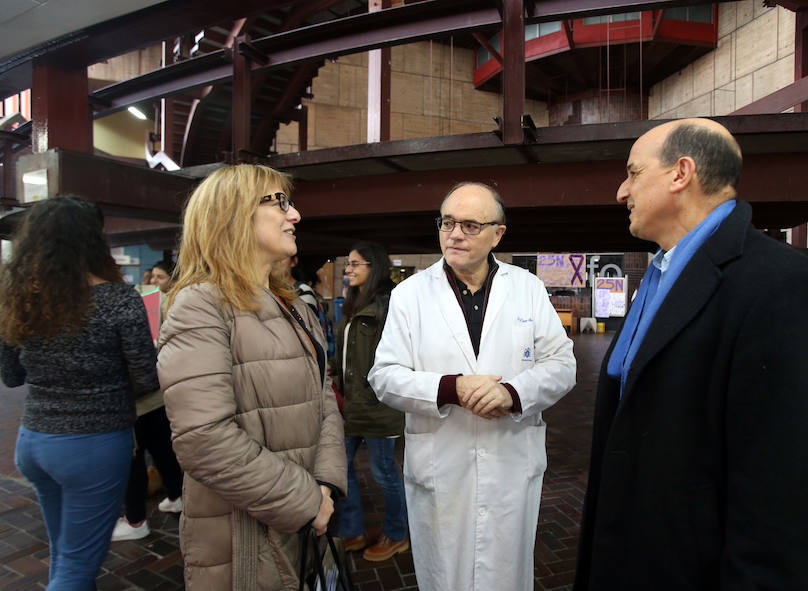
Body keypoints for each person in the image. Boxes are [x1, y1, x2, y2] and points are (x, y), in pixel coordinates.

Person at [573, 118, 808, 590]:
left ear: (681, 173)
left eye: (633, 173)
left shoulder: (786, 286)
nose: (622, 191)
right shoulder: (660, 277)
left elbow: (788, 492)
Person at [368, 182, 577, 591]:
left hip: (510, 461)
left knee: (507, 573)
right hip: (441, 465)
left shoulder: (527, 288)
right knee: (444, 574)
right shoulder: (410, 294)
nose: (455, 233)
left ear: (498, 233)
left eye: (469, 224)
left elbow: (563, 364)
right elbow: (384, 376)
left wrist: (513, 393)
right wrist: (452, 389)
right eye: (447, 222)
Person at [156, 164, 346, 590]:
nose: (294, 215)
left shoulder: (293, 304)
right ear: (231, 215)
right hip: (246, 538)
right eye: (278, 202)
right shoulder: (200, 306)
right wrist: (304, 499)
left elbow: (324, 399)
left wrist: (326, 487)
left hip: (301, 520)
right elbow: (203, 439)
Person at [0, 196, 160, 589]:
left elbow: (11, 376)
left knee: (65, 552)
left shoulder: (22, 299)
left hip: (35, 442)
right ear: (93, 241)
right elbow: (146, 379)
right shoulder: (119, 300)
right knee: (77, 565)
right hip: (93, 445)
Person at [329, 241, 408, 561]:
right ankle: (353, 530)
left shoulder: (387, 307)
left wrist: (374, 393)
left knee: (384, 472)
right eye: (347, 263)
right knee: (341, 468)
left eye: (355, 264)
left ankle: (397, 533)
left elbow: (396, 359)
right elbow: (347, 353)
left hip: (378, 408)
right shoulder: (353, 304)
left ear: (373, 268)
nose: (348, 269)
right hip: (351, 408)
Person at [111, 257, 183, 541]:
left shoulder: (158, 302)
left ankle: (136, 519)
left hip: (139, 397)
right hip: (156, 393)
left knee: (135, 457)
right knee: (163, 448)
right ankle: (177, 495)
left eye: (160, 277)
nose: (153, 282)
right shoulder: (142, 300)